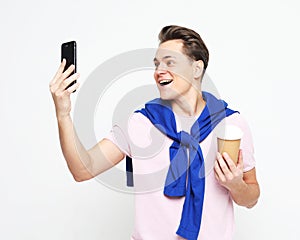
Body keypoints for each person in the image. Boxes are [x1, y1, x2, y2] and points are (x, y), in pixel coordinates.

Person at [49, 25, 260, 240]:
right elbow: (83, 169)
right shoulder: (139, 123)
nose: (159, 71)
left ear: (197, 69)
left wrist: (236, 185)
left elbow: (251, 198)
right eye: (157, 64)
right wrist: (63, 114)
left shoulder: (231, 124)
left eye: (170, 62)